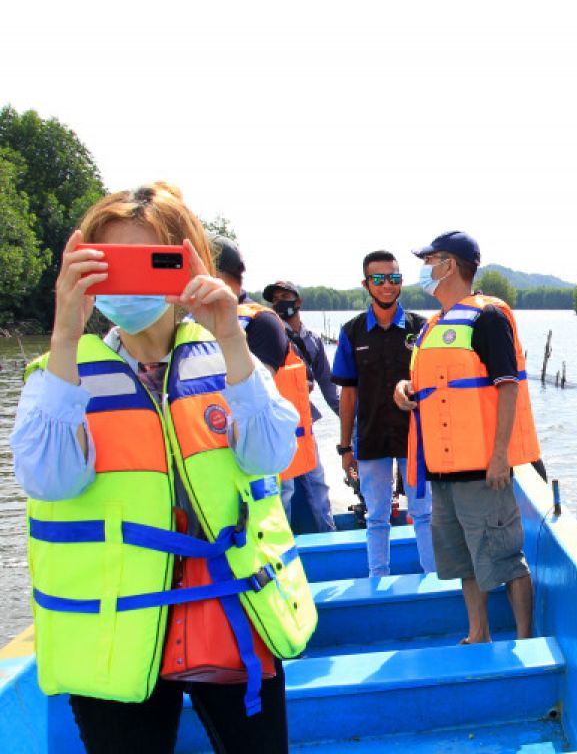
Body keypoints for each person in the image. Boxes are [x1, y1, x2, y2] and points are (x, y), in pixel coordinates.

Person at [10, 183, 316, 753]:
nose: (127, 283)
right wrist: (64, 332)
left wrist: (229, 334)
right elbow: (48, 479)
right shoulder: (57, 374)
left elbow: (274, 454)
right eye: (110, 264)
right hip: (115, 630)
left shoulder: (229, 353)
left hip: (231, 611)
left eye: (148, 262)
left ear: (185, 261)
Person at [393, 231, 540, 644]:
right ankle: (478, 633)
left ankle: (525, 638)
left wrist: (499, 456)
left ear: (451, 265)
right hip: (441, 469)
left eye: (431, 259)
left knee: (506, 559)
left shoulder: (486, 318)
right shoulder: (433, 326)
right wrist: (404, 388)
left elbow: (507, 387)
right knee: (463, 562)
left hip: (482, 469)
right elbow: (434, 384)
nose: (425, 268)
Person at [330, 250, 433, 577]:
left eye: (394, 278)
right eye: (379, 279)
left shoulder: (422, 329)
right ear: (366, 284)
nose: (387, 285)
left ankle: (432, 579)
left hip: (415, 438)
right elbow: (348, 394)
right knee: (376, 516)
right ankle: (378, 579)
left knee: (424, 512)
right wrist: (345, 448)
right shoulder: (352, 332)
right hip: (371, 438)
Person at [210, 239, 321, 530]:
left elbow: (255, 395)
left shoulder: (261, 323)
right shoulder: (188, 323)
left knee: (305, 497)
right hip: (212, 455)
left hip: (264, 451)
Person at [262, 279, 338, 533]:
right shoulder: (269, 335)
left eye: (285, 296)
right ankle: (283, 543)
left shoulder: (313, 340)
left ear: (298, 301)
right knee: (284, 488)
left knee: (316, 483)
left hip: (305, 424)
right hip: (276, 426)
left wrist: (351, 422)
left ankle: (327, 533)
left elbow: (329, 386)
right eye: (275, 299)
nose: (280, 303)